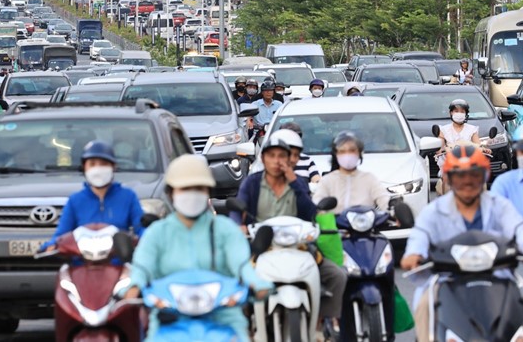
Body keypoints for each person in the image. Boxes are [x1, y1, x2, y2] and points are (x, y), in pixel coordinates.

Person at [401, 144, 523, 342]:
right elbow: (420, 235)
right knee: (424, 303)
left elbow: (518, 228)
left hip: (498, 277)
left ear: (484, 176)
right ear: (449, 179)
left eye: (473, 175)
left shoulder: (498, 204)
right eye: (459, 176)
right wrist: (413, 254)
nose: (467, 182)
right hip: (447, 281)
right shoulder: (434, 211)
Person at [123, 155, 273, 341]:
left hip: (223, 318)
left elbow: (241, 264)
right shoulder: (157, 233)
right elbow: (142, 266)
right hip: (169, 319)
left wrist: (255, 283)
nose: (192, 194)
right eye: (185, 188)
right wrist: (134, 286)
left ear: (208, 192)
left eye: (198, 189)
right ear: (171, 193)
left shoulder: (225, 229)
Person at [232, 130, 346, 334]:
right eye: (272, 156)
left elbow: (311, 213)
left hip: (298, 246)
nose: (277, 161)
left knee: (337, 275)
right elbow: (237, 208)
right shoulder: (252, 183)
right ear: (263, 158)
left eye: (282, 156)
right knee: (236, 278)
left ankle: (321, 323)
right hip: (261, 247)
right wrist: (238, 227)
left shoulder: (299, 183)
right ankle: (247, 324)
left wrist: (293, 180)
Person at [42, 141, 144, 251]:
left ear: (113, 167)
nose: (98, 169)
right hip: (81, 263)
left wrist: (146, 238)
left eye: (103, 164)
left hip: (117, 262)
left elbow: (141, 228)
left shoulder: (128, 197)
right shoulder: (75, 200)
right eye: (92, 164)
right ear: (84, 168)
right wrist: (50, 246)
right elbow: (61, 235)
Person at [313, 131, 390, 214]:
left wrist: (394, 211)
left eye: (352, 150)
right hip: (334, 225)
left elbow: (384, 200)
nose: (347, 155)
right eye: (342, 151)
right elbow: (317, 202)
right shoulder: (327, 180)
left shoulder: (369, 179)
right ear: (336, 155)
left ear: (359, 153)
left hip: (364, 223)